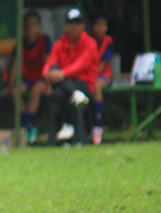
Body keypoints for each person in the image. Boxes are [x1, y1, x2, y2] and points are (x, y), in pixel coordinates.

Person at [42, 8, 100, 145]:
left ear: (83, 26)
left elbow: (81, 64)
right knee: (56, 78)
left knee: (59, 90)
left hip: (84, 84)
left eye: (77, 23)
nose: (74, 27)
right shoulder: (60, 43)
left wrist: (61, 74)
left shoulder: (90, 43)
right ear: (65, 26)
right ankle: (74, 95)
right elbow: (49, 64)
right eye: (71, 24)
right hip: (66, 84)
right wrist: (48, 74)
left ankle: (69, 126)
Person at [15, 10, 53, 144]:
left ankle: (30, 126)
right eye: (27, 25)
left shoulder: (45, 41)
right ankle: (25, 125)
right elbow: (15, 65)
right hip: (26, 78)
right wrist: (11, 84)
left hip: (40, 78)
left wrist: (49, 84)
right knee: (16, 90)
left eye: (34, 24)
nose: (30, 28)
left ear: (39, 27)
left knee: (36, 90)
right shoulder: (20, 43)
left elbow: (48, 63)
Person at [89, 13, 115, 145]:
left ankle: (98, 126)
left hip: (104, 76)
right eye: (98, 25)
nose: (101, 28)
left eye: (104, 25)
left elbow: (102, 66)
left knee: (96, 86)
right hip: (88, 74)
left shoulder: (107, 42)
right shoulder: (87, 41)